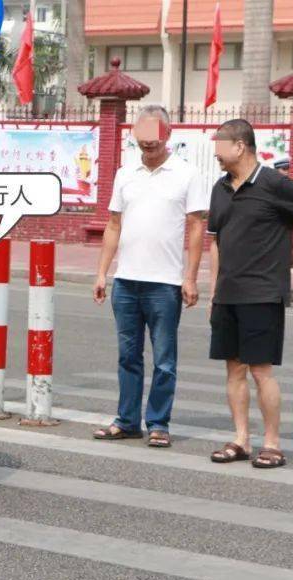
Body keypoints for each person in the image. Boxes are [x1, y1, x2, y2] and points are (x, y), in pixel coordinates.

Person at [206, 119, 293, 468]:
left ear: (240, 145)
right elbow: (216, 242)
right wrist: (214, 289)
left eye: (220, 145)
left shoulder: (274, 183)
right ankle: (241, 439)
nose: (216, 153)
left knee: (261, 371)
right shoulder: (220, 188)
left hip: (262, 292)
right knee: (233, 370)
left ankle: (272, 443)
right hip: (228, 293)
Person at [91, 106, 208, 447]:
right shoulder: (125, 174)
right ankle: (126, 420)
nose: (148, 149)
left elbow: (197, 227)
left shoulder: (187, 174)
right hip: (126, 281)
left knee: (164, 360)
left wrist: (190, 277)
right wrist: (101, 273)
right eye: (142, 144)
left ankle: (158, 422)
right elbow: (114, 224)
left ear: (168, 135)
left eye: (154, 143)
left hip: (165, 284)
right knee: (128, 356)